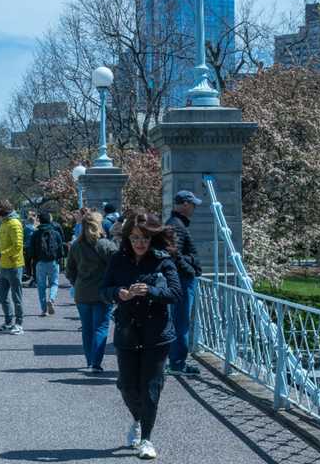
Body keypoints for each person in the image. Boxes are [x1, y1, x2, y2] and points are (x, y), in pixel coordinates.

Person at [100, 209, 181, 460]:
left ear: (152, 238)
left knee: (150, 387)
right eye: (135, 238)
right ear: (128, 238)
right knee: (126, 385)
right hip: (127, 331)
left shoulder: (163, 260)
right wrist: (119, 293)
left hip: (157, 333)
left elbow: (175, 294)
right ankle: (137, 418)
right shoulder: (118, 259)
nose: (140, 243)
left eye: (145, 238)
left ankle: (146, 438)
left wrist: (151, 291)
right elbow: (103, 290)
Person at [66, 212, 118, 371]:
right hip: (102, 293)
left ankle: (89, 360)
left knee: (87, 328)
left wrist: (77, 283)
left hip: (82, 291)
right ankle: (96, 363)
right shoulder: (106, 245)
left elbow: (69, 271)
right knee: (101, 328)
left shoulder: (76, 245)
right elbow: (117, 268)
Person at [165, 190, 203, 377]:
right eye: (193, 204)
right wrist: (190, 270)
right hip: (182, 281)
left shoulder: (175, 224)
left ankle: (175, 361)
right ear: (185, 204)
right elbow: (173, 254)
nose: (195, 208)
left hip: (181, 280)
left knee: (179, 321)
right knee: (182, 322)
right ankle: (178, 364)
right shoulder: (176, 226)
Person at [0, 200, 25, 335]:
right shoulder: (3, 224)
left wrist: (0, 255)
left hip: (14, 265)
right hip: (4, 266)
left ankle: (19, 324)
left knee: (16, 297)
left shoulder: (14, 223)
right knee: (2, 296)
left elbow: (17, 246)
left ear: (1, 211)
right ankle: (8, 322)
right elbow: (3, 246)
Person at [29, 212, 64, 317]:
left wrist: (34, 260)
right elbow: (61, 250)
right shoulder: (55, 233)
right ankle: (51, 299)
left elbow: (31, 250)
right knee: (54, 283)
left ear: (39, 221)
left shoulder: (36, 233)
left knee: (41, 286)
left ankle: (44, 310)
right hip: (53, 262)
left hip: (40, 262)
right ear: (50, 220)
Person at [23, 212, 37, 286]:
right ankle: (34, 277)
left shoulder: (25, 228)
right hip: (34, 248)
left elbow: (23, 238)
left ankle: (28, 274)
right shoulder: (35, 228)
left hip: (27, 247)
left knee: (27, 262)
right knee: (34, 262)